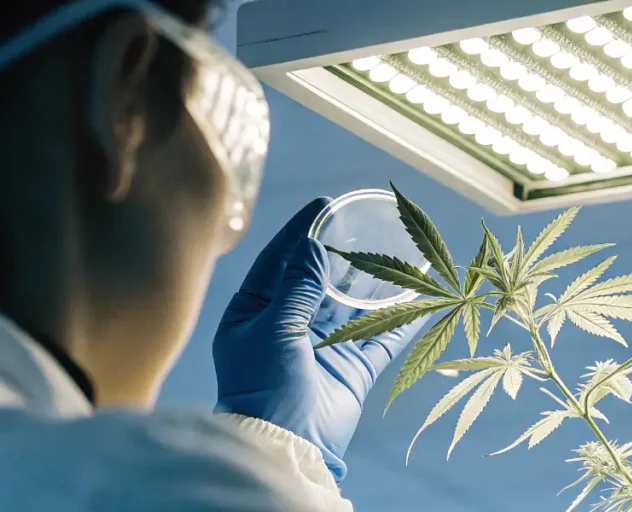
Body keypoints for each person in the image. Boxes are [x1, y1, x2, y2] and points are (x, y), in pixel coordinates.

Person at [0, 0, 425, 509]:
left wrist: (278, 449)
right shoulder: (148, 486)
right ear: (125, 101)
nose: (225, 229)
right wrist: (279, 465)